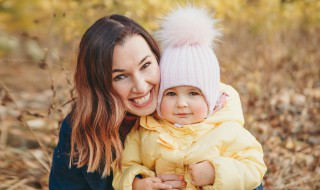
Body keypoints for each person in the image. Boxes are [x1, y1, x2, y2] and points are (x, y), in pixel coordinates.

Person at [113, 6, 267, 190]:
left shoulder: (227, 130)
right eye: (171, 93)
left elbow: (254, 166)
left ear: (210, 97)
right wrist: (138, 183)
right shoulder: (145, 130)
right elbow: (124, 167)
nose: (181, 103)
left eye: (193, 93)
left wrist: (215, 172)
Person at [49, 14, 188, 189]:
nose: (141, 86)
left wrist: (212, 170)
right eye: (120, 76)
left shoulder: (191, 103)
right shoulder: (81, 131)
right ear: (100, 85)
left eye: (145, 65)